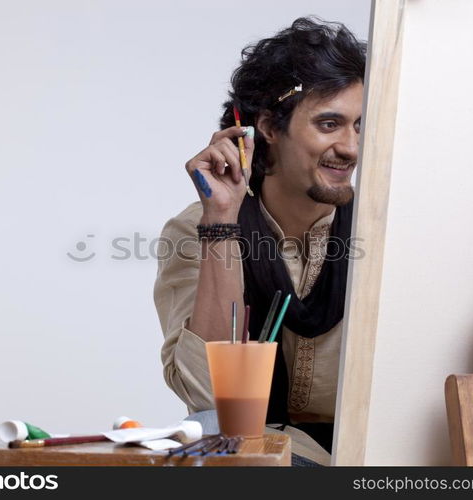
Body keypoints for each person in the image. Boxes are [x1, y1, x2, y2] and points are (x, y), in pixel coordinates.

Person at [153, 16, 365, 466]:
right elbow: (207, 396)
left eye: (360, 126)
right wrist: (222, 221)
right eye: (330, 124)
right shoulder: (195, 229)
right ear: (268, 127)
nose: (351, 147)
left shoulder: (387, 231)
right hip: (258, 457)